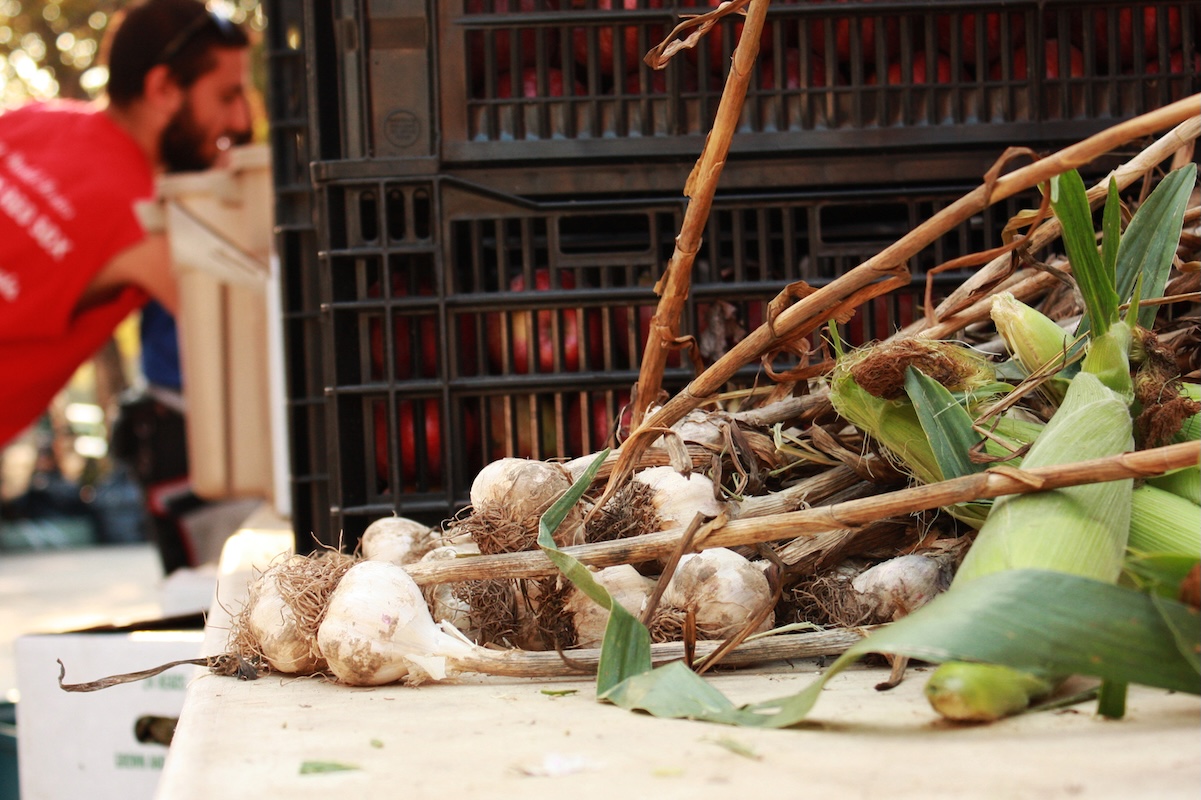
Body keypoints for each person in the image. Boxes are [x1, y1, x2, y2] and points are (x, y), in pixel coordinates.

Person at [0, 0, 252, 562]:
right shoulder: (140, 220)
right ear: (164, 88)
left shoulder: (35, 120)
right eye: (227, 97)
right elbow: (249, 346)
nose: (238, 121)